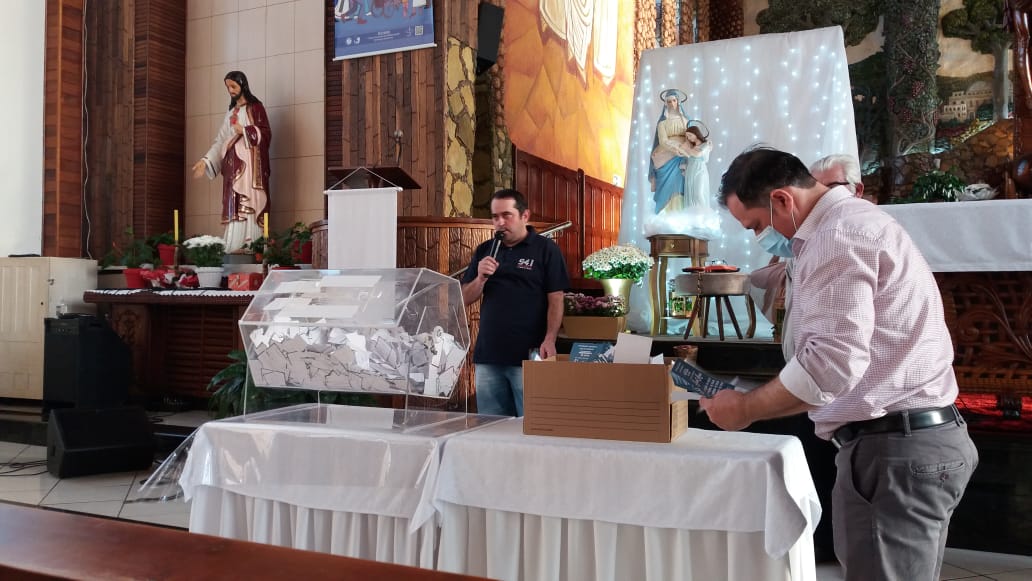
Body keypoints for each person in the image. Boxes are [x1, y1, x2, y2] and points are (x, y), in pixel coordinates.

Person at [703, 147, 978, 580]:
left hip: (894, 449)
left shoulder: (837, 235)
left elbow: (829, 364)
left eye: (755, 225)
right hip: (905, 441)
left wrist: (745, 408)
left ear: (782, 200)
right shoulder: (848, 224)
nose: (759, 237)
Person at [461, 189, 569, 416]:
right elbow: (464, 298)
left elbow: (556, 298)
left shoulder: (545, 249)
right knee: (491, 426)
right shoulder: (485, 250)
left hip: (529, 355)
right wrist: (480, 278)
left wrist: (550, 338)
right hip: (489, 355)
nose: (500, 222)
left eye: (506, 215)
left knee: (531, 423)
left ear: (524, 216)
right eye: (495, 217)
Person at [192, 71, 271, 253]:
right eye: (228, 87)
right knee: (234, 205)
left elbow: (266, 134)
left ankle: (252, 244)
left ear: (243, 85)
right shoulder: (231, 113)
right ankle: (234, 244)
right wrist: (205, 161)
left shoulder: (256, 108)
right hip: (232, 169)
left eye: (233, 86)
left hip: (250, 168)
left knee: (249, 202)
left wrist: (245, 131)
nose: (231, 90)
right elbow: (220, 141)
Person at [650, 88, 712, 213]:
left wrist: (703, 145)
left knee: (683, 185)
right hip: (667, 155)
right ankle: (667, 214)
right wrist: (675, 148)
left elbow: (693, 137)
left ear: (678, 101)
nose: (672, 104)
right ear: (665, 104)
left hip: (683, 156)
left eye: (674, 100)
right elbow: (663, 140)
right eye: (669, 101)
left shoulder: (686, 120)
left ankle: (683, 214)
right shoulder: (662, 124)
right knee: (668, 185)